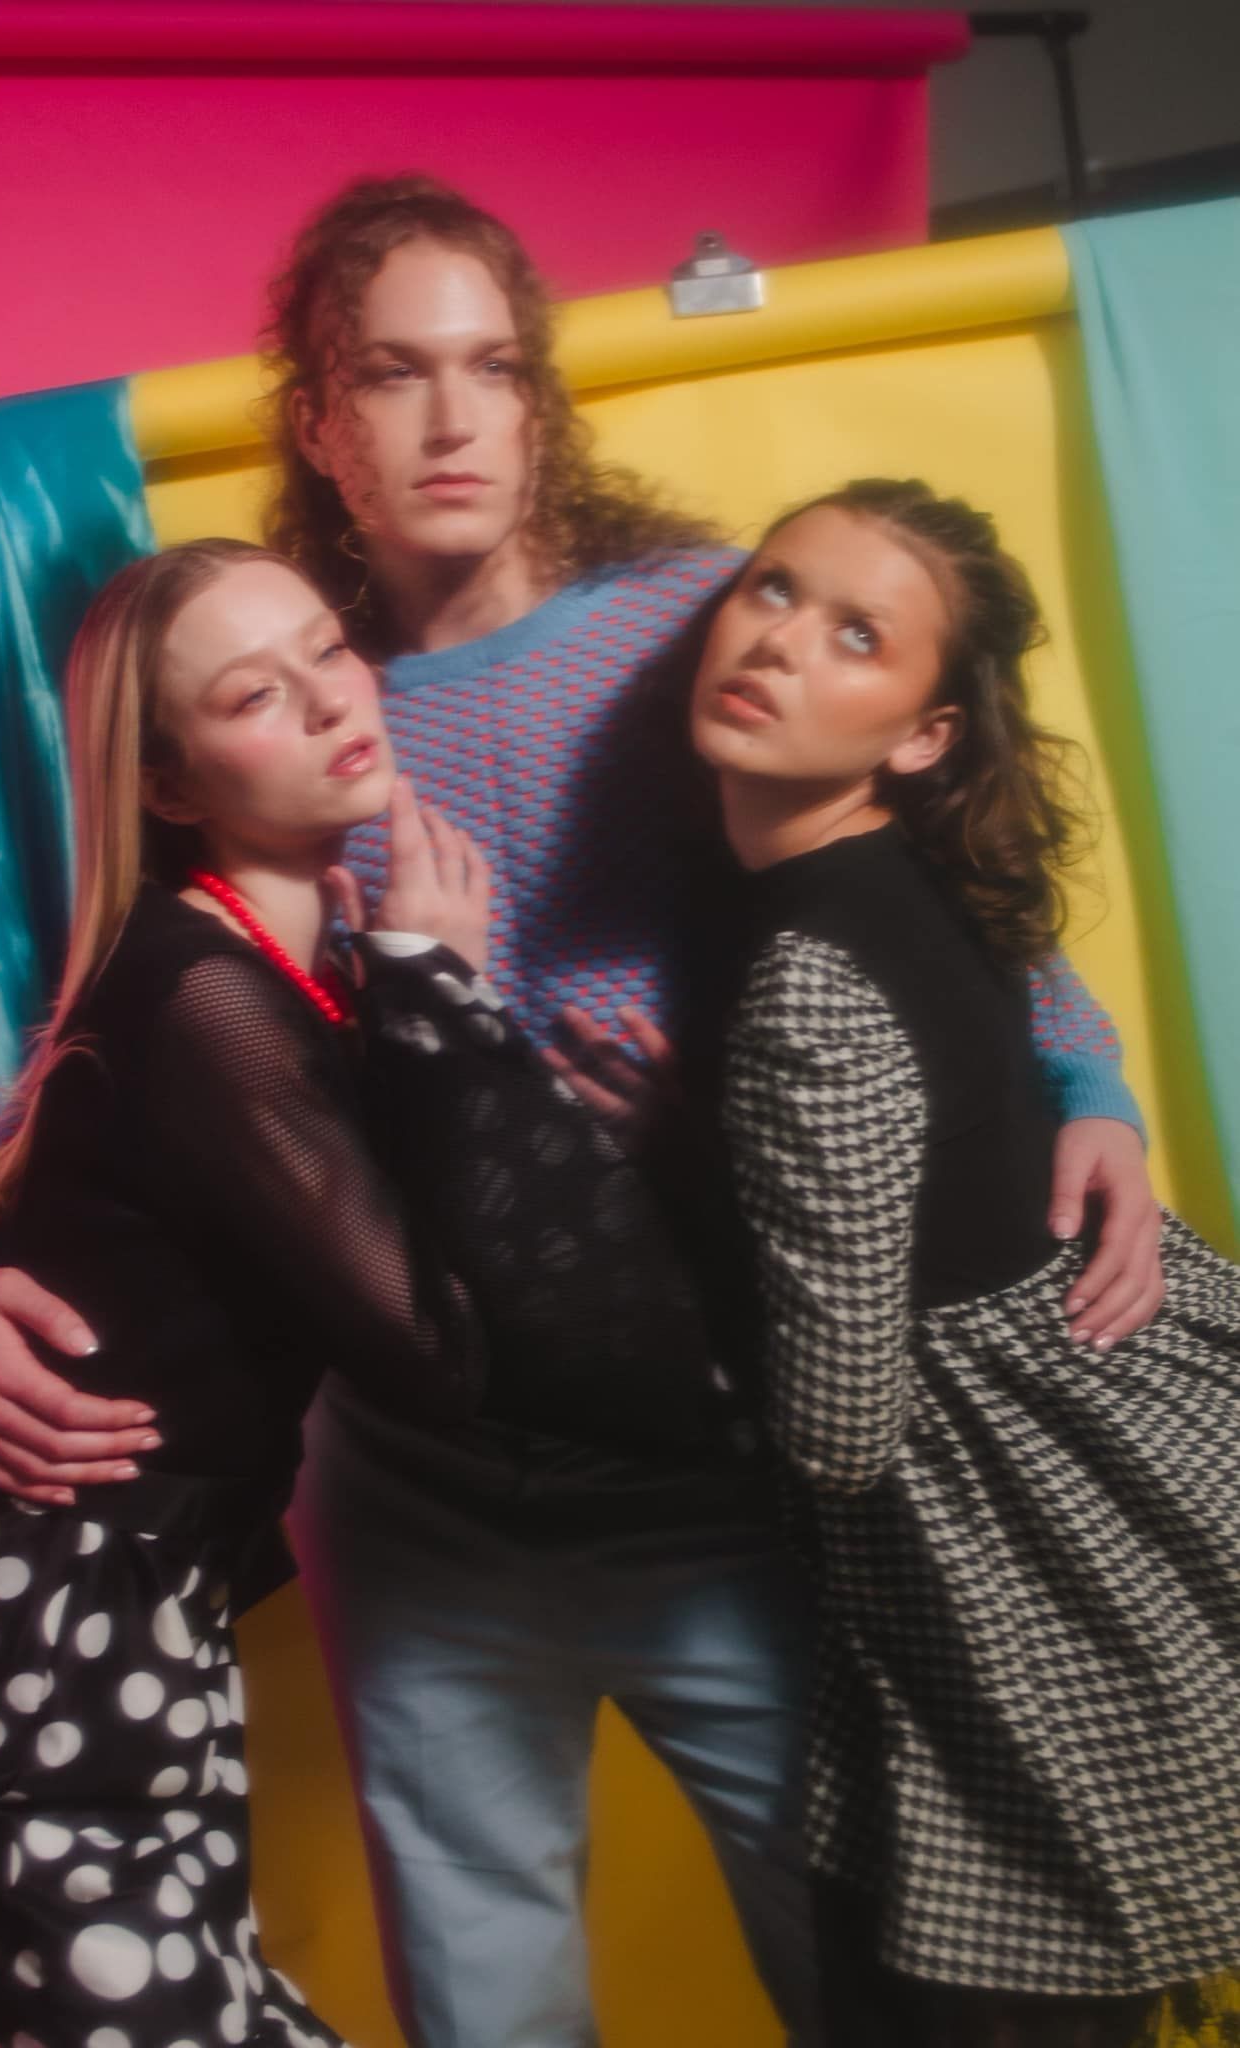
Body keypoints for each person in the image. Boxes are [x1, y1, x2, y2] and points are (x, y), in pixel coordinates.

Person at [0, 178, 1167, 2048]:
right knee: (485, 1994)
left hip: (719, 1470)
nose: (453, 421)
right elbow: (98, 1028)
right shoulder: (270, 682)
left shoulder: (681, 625)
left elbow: (900, 875)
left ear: (541, 398)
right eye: (392, 374)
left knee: (881, 1977)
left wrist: (1084, 1076)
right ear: (316, 421)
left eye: (493, 368)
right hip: (422, 1494)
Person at [0, 535, 540, 2046]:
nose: (322, 701)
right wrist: (450, 995)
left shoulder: (294, 977)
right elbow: (436, 1349)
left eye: (327, 650)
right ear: (169, 785)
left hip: (120, 1607)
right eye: (254, 692)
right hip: (40, 1616)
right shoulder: (203, 995)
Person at [690, 477, 1240, 2048]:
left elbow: (843, 1428)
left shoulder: (804, 985)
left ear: (921, 732)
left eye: (856, 637)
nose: (779, 642)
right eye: (771, 587)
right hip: (1122, 1448)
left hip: (1023, 1547)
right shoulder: (914, 874)